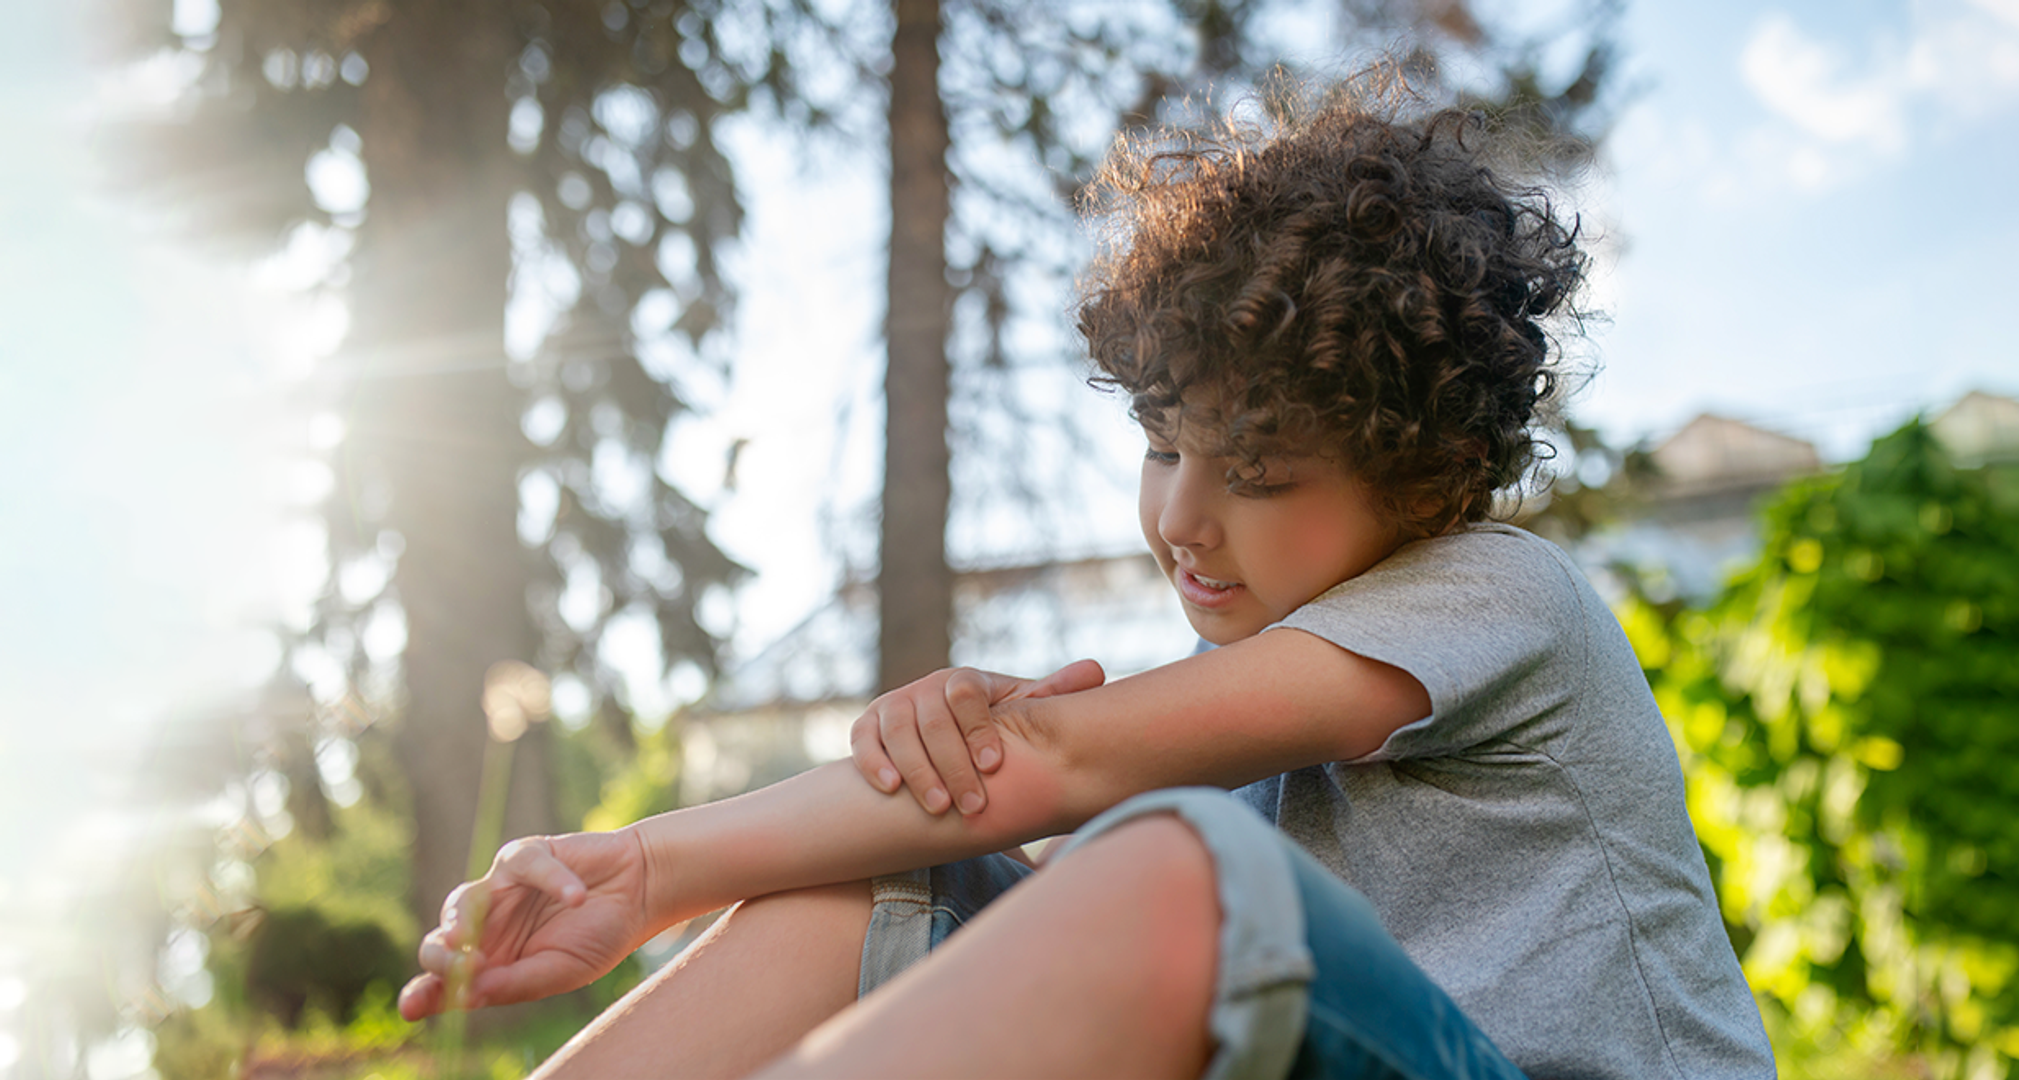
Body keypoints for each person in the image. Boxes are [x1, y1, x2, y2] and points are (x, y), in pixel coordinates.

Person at [398, 78, 1776, 1080]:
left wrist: (652, 870)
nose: (1182, 515)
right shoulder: (1246, 714)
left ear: (1420, 479)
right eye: (1164, 445)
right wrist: (651, 868)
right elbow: (1009, 804)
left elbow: (1056, 766)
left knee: (1184, 876)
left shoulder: (1501, 595)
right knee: (887, 878)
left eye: (1258, 470)